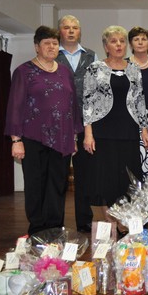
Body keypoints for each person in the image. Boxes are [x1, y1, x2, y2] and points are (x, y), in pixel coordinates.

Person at [5, 25, 82, 235]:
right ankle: (38, 229)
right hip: (33, 138)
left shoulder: (65, 72)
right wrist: (16, 140)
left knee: (58, 184)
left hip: (62, 138)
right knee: (35, 184)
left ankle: (55, 229)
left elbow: (73, 105)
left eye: (55, 43)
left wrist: (74, 136)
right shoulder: (24, 71)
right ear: (37, 46)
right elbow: (15, 106)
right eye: (46, 43)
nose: (51, 47)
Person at [82, 26, 148, 224]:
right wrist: (88, 133)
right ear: (106, 46)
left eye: (121, 41)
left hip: (128, 131)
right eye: (113, 41)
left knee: (128, 179)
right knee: (106, 179)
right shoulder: (95, 68)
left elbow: (140, 101)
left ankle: (124, 224)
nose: (119, 45)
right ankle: (109, 223)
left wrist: (144, 129)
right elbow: (87, 101)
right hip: (103, 131)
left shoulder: (134, 69)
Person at [55, 15, 97, 233]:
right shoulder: (53, 54)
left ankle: (84, 220)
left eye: (75, 28)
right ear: (59, 31)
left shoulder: (91, 55)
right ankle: (56, 222)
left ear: (80, 31)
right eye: (66, 27)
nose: (71, 31)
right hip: (59, 123)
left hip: (85, 122)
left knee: (85, 174)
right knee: (58, 174)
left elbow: (98, 88)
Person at [127, 26, 148, 178]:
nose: (140, 42)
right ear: (130, 43)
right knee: (129, 164)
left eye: (144, 39)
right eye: (136, 39)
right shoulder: (123, 66)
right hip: (128, 121)